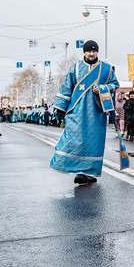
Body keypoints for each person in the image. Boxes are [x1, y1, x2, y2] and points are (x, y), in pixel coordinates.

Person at [50, 40, 119, 184]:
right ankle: (75, 169)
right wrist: (60, 108)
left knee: (94, 142)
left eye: (94, 51)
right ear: (84, 52)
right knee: (72, 140)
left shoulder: (106, 69)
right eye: (89, 51)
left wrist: (102, 88)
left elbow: (114, 84)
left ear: (97, 52)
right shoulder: (75, 68)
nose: (92, 54)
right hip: (77, 112)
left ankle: (89, 173)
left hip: (96, 112)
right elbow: (66, 88)